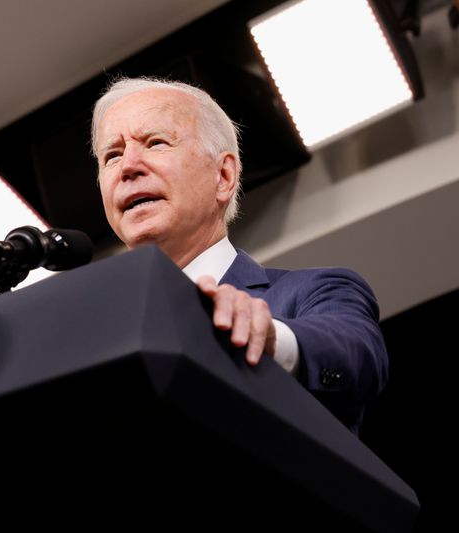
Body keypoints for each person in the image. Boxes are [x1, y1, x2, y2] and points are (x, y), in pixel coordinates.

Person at [91, 77, 388, 433]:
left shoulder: (313, 290)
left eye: (155, 143)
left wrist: (271, 339)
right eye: (112, 155)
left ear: (224, 176)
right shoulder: (97, 335)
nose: (128, 167)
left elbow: (358, 355)